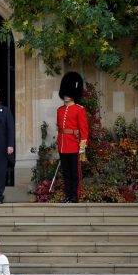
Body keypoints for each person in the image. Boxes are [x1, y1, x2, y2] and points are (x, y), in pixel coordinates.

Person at [55, 72, 89, 203]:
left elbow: (84, 130)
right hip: (63, 146)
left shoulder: (79, 110)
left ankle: (75, 196)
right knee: (66, 173)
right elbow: (60, 129)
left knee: (75, 173)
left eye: (68, 93)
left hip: (74, 146)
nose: (65, 96)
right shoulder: (60, 110)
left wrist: (82, 147)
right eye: (65, 93)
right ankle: (68, 195)